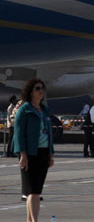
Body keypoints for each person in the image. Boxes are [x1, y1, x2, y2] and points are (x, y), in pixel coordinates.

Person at [13, 78, 54, 222]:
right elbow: (18, 133)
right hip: (29, 154)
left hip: (42, 153)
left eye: (42, 88)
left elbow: (49, 132)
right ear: (30, 92)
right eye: (37, 88)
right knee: (32, 192)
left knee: (36, 191)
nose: (41, 91)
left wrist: (51, 154)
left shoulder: (44, 110)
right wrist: (22, 154)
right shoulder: (24, 110)